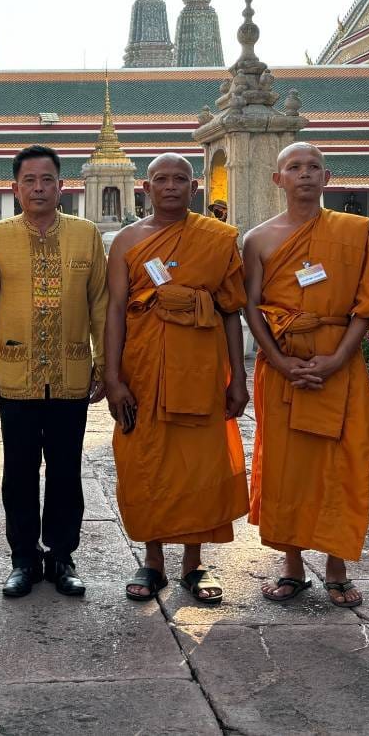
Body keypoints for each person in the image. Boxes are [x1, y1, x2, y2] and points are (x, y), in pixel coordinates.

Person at [243, 142, 369, 609]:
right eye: (294, 167)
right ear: (278, 179)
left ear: (327, 178)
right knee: (286, 469)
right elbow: (250, 307)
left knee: (341, 466)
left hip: (339, 364)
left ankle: (337, 568)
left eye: (313, 167)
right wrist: (279, 360)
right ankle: (291, 566)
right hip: (283, 368)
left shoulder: (353, 231)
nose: (304, 174)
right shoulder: (258, 240)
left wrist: (338, 359)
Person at [105, 153, 249, 604]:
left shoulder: (217, 238)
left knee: (198, 465)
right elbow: (114, 310)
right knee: (145, 462)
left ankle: (193, 562)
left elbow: (231, 311)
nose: (170, 186)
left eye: (180, 179)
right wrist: (112, 377)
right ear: (145, 188)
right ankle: (152, 561)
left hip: (202, 371)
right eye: (161, 179)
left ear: (195, 187)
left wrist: (238, 378)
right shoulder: (127, 240)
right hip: (143, 371)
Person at [0, 145, 107, 599]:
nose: (38, 188)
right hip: (16, 376)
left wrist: (105, 363)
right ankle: (24, 559)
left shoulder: (86, 235)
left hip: (71, 373)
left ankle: (63, 556)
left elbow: (101, 306)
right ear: (15, 188)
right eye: (29, 181)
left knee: (66, 470)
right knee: (20, 472)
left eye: (47, 179)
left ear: (61, 186)